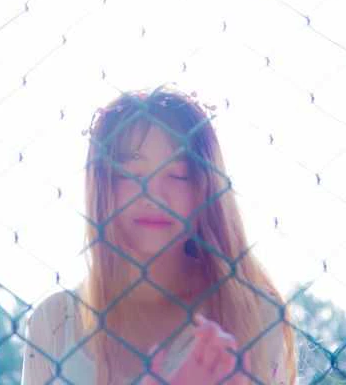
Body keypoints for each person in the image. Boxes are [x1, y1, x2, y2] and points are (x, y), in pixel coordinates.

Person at [21, 84, 298, 384]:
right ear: (101, 184)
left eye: (178, 175)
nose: (154, 195)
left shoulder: (252, 314)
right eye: (131, 174)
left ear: (206, 186)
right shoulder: (55, 321)